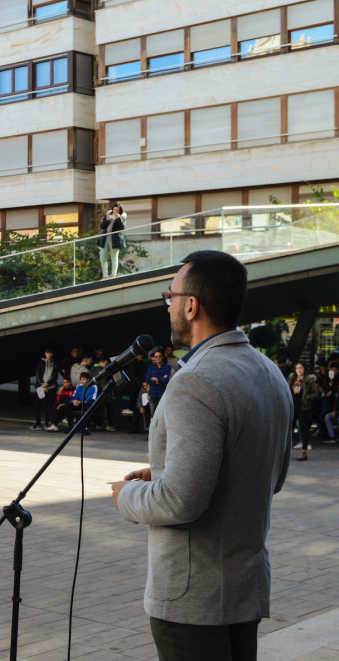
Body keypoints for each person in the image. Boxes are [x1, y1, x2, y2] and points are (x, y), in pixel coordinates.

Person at [112, 250, 291, 661]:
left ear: (191, 305)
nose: (169, 305)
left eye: (170, 296)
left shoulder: (196, 382)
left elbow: (180, 501)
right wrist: (164, 470)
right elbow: (270, 476)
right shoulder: (268, 372)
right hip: (244, 590)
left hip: (194, 601)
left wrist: (125, 496)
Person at [289, 361, 319, 460]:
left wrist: (307, 397)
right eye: (297, 368)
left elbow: (316, 394)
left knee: (304, 429)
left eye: (301, 368)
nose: (299, 370)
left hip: (304, 408)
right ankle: (286, 452)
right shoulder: (292, 379)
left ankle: (304, 451)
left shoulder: (309, 380)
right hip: (293, 407)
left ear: (304, 369)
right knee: (290, 430)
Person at [98, 203, 127, 280]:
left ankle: (113, 275)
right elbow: (102, 226)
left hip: (115, 238)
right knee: (102, 257)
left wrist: (118, 219)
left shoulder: (123, 216)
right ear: (112, 209)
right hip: (105, 237)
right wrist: (107, 220)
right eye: (114, 209)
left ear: (120, 211)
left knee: (114, 257)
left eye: (117, 210)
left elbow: (122, 228)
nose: (115, 212)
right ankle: (105, 275)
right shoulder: (108, 214)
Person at [32, 348, 58, 431]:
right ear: (45, 353)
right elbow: (38, 375)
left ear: (52, 354)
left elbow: (55, 377)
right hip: (41, 387)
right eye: (47, 353)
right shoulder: (41, 363)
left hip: (51, 387)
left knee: (49, 405)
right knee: (37, 404)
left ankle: (47, 423)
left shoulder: (54, 363)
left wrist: (48, 384)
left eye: (50, 353)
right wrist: (43, 385)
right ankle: (38, 423)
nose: (49, 355)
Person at [144, 348, 172, 418]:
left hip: (162, 393)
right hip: (153, 393)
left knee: (163, 414)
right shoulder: (151, 367)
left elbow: (166, 380)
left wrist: (155, 379)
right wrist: (161, 379)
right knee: (153, 414)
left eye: (159, 356)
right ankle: (153, 429)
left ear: (162, 357)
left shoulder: (167, 367)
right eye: (156, 357)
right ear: (154, 358)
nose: (158, 358)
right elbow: (147, 380)